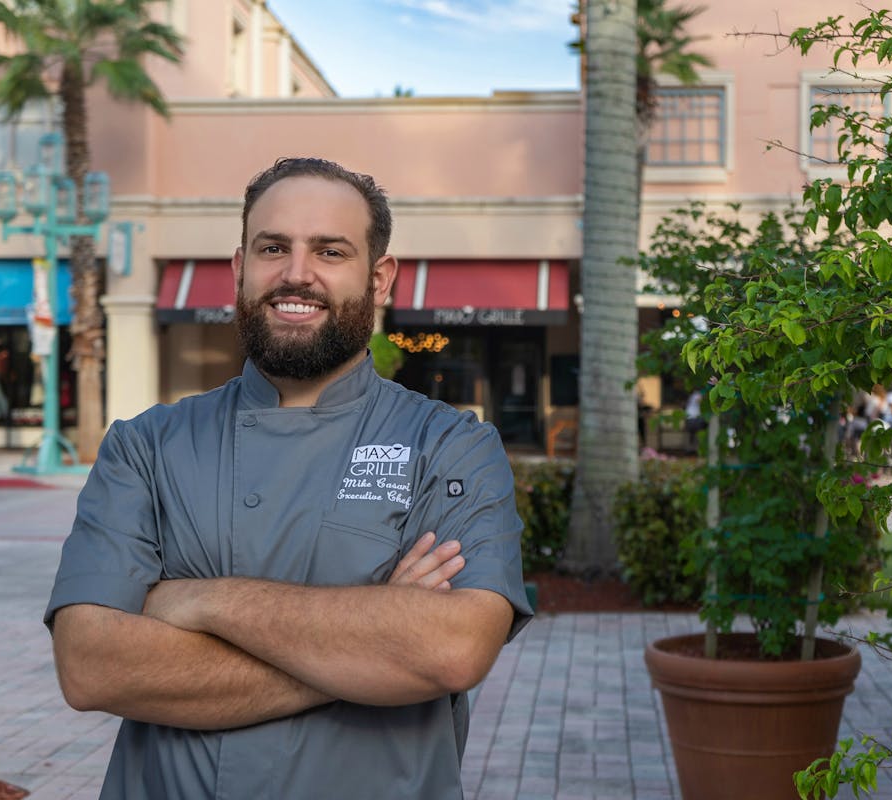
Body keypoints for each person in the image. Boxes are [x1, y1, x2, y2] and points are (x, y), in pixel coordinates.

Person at [44, 157, 533, 799]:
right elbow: (91, 667)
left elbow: (452, 651)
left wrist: (197, 600)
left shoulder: (451, 445)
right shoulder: (145, 446)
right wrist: (374, 643)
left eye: (330, 251)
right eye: (273, 247)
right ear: (240, 267)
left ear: (379, 278)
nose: (296, 274)